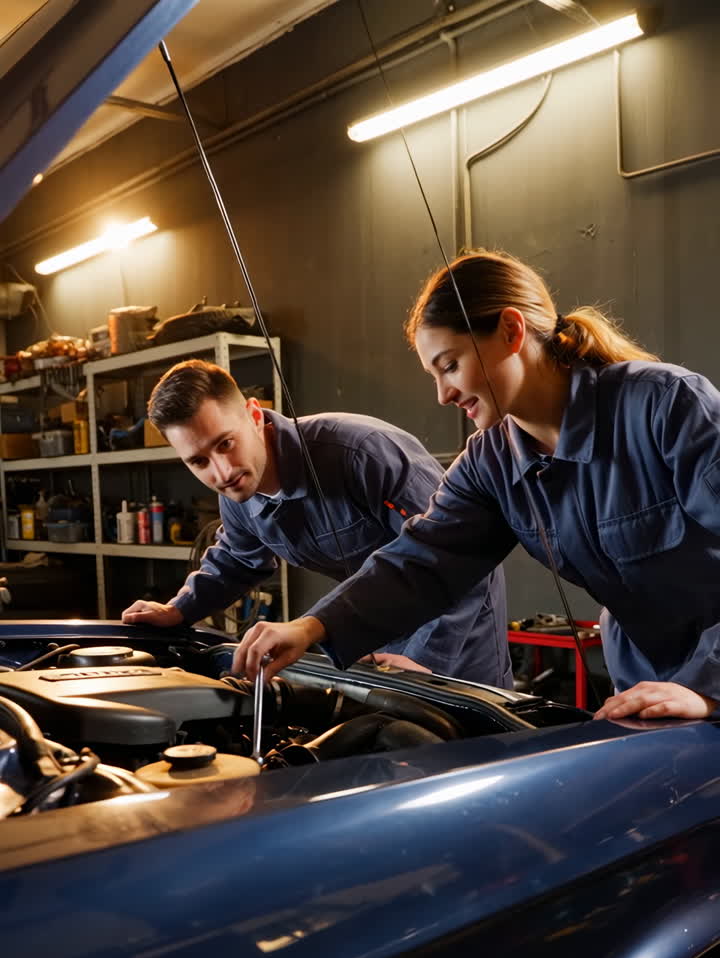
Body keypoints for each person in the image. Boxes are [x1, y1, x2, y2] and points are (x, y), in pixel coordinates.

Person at [234, 248, 720, 723]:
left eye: (450, 365)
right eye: (433, 374)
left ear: (511, 330)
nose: (443, 394)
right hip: (643, 688)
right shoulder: (490, 462)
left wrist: (705, 687)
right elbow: (420, 562)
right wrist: (312, 627)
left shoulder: (665, 405)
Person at [121, 359, 512, 686]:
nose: (221, 471)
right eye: (199, 461)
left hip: (456, 636)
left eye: (226, 443)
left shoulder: (363, 454)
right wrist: (179, 609)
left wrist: (424, 657)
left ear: (255, 416)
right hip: (368, 627)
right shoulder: (238, 490)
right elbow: (237, 560)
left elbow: (461, 559)